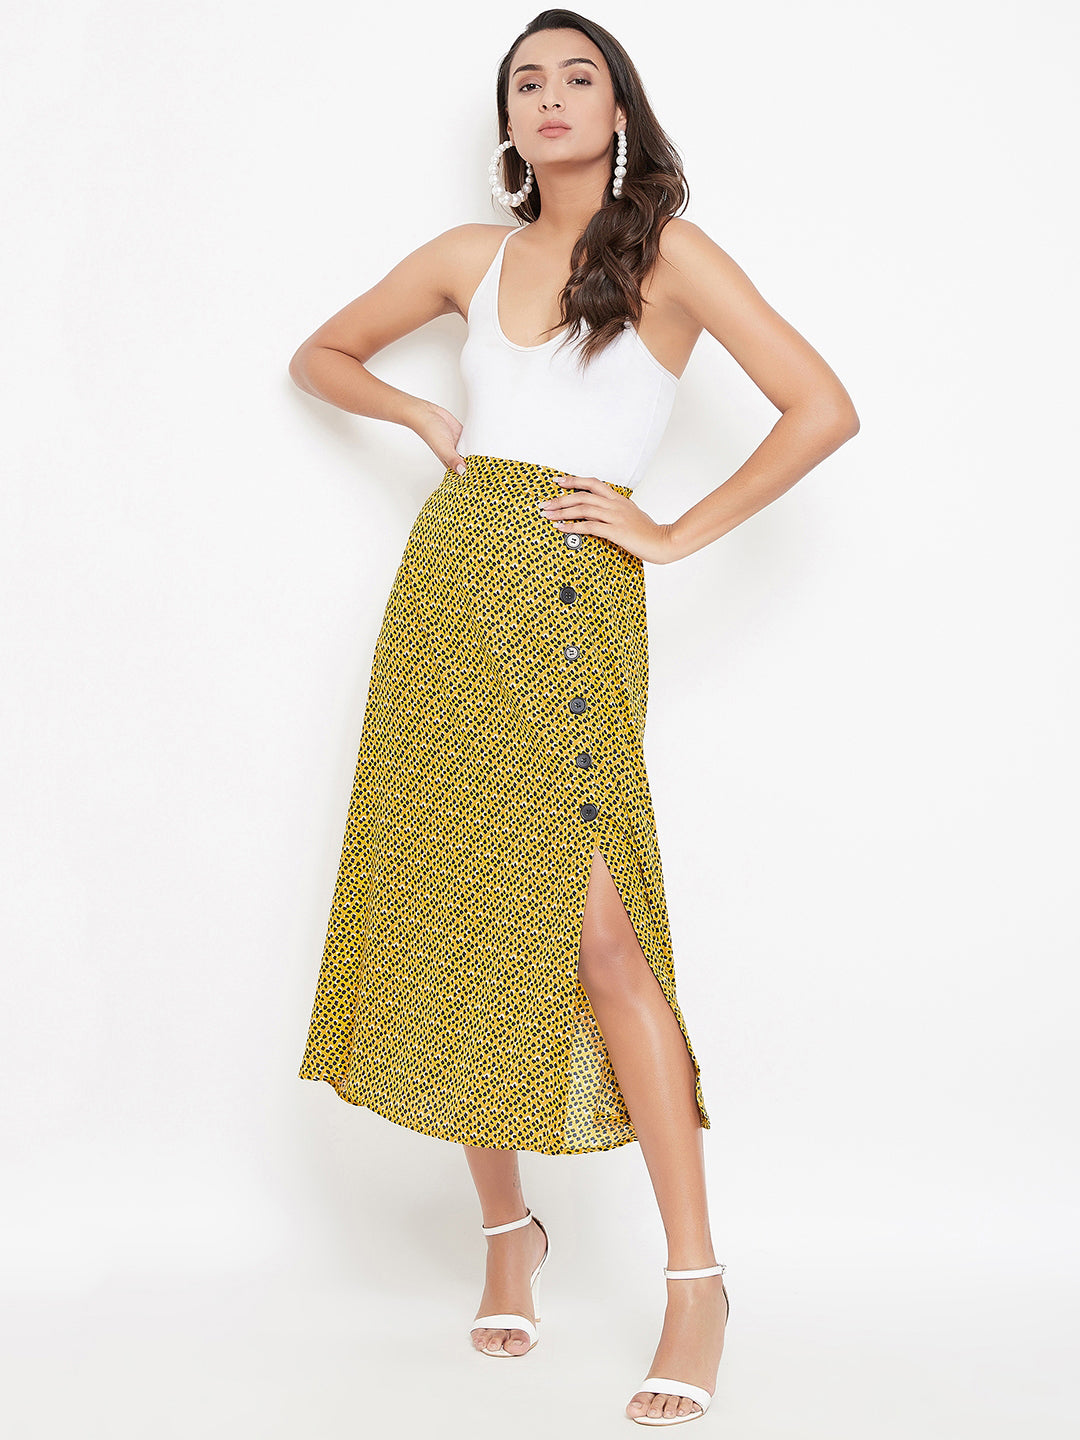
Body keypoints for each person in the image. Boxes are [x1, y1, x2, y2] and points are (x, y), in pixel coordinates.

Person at [289, 8, 859, 1428]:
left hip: (568, 604)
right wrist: (425, 420)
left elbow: (821, 407)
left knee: (601, 934)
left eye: (577, 78)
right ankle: (509, 1234)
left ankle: (695, 1284)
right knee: (461, 913)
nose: (550, 99)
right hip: (448, 596)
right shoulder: (464, 258)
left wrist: (668, 532)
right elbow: (321, 355)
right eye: (527, 82)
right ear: (508, 120)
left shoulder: (667, 255)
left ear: (620, 109)